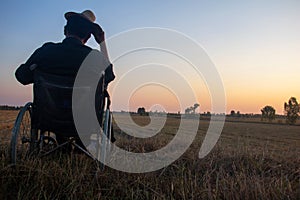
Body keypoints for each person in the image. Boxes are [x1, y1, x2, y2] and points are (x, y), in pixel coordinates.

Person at [15, 10, 116, 149]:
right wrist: (102, 43)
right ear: (88, 37)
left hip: (48, 118)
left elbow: (21, 76)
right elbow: (109, 76)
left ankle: (62, 141)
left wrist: (33, 69)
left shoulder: (46, 51)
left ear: (65, 30)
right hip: (84, 120)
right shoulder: (94, 58)